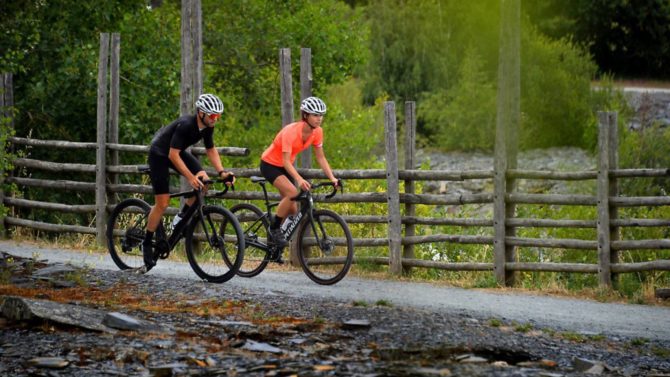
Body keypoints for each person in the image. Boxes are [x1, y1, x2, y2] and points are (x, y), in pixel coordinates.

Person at [142, 93, 235, 270]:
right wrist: (191, 178)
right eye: (213, 115)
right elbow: (172, 155)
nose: (216, 119)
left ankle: (181, 218)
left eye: (218, 116)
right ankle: (146, 243)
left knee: (205, 181)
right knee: (162, 203)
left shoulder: (208, 126)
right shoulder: (186, 125)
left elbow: (211, 149)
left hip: (176, 152)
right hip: (160, 154)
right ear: (201, 113)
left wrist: (222, 172)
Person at [260, 96, 339, 254]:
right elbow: (286, 161)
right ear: (305, 115)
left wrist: (332, 178)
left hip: (285, 167)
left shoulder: (317, 132)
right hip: (270, 164)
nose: (319, 119)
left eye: (321, 115)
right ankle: (274, 229)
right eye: (315, 115)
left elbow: (321, 157)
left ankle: (274, 246)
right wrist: (299, 179)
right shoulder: (291, 131)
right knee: (292, 193)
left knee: (293, 208)